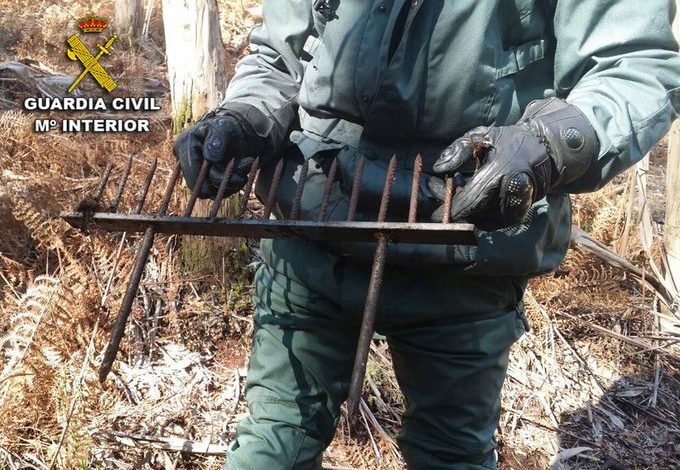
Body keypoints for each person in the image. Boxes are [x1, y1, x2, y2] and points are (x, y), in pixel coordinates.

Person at [173, 1, 680, 468]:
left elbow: (634, 66)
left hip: (467, 247)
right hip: (313, 225)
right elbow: (280, 56)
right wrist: (246, 116)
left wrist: (548, 145)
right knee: (274, 441)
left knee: (450, 455)